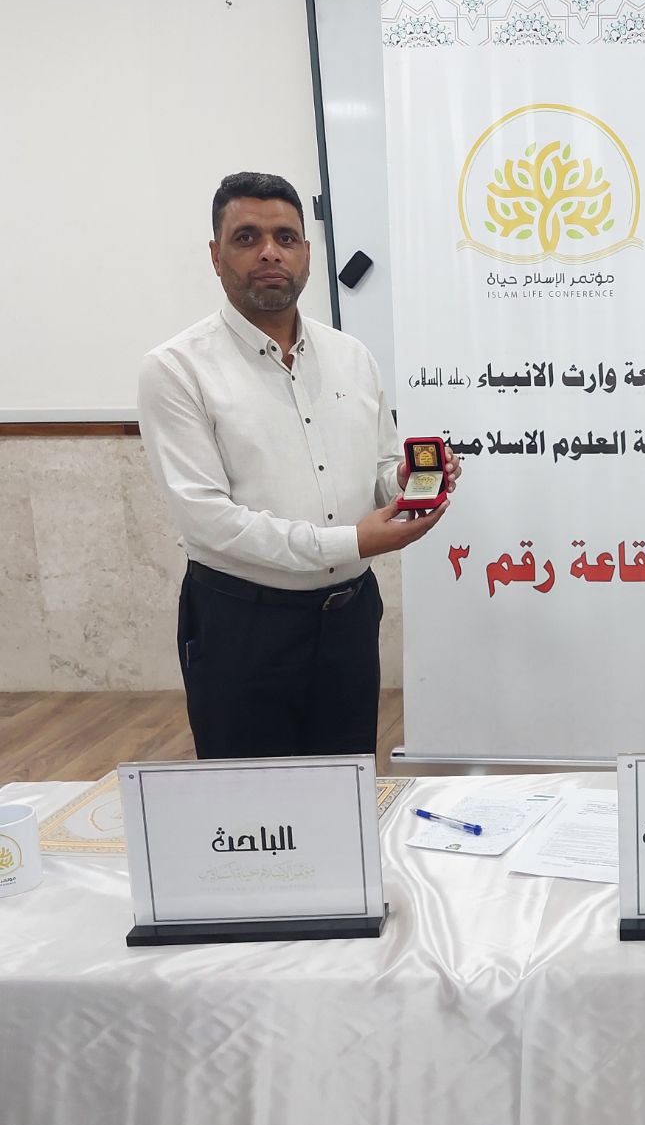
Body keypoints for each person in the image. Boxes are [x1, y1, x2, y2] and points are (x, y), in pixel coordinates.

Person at [138, 171, 459, 759]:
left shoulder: (351, 356)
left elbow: (382, 467)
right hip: (242, 626)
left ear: (306, 253)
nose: (270, 252)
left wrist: (408, 485)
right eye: (247, 237)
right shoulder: (176, 369)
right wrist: (353, 541)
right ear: (215, 255)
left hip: (349, 620)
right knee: (251, 800)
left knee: (346, 787)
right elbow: (209, 521)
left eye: (286, 237)